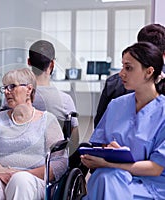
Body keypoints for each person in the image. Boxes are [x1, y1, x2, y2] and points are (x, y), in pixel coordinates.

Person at [0, 68, 67, 200]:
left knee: (20, 180)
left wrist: (24, 173)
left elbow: (60, 163)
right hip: (1, 177)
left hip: (33, 181)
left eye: (12, 87)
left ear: (29, 90)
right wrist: (4, 173)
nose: (6, 92)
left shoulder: (48, 120)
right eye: (5, 88)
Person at [81, 42, 165, 199]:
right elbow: (100, 143)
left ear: (149, 72)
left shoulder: (163, 112)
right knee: (105, 178)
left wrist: (109, 164)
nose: (121, 73)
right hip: (113, 177)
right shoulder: (116, 105)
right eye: (122, 67)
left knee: (106, 179)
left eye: (129, 68)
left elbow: (156, 168)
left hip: (149, 186)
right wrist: (104, 153)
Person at [94, 23, 165, 128]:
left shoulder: (114, 83)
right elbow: (100, 133)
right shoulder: (116, 102)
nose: (122, 74)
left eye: (128, 67)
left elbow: (98, 124)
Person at [29, 40, 79, 150]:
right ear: (52, 64)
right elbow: (74, 142)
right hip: (52, 160)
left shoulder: (14, 98)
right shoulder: (65, 100)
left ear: (29, 62)